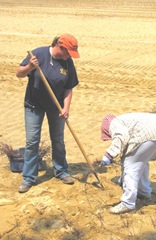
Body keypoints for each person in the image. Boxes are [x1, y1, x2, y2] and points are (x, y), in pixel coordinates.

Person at [16, 34, 80, 193]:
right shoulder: (38, 54)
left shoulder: (67, 62)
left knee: (58, 139)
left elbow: (68, 88)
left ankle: (61, 171)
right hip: (34, 105)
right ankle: (29, 177)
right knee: (32, 141)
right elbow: (19, 73)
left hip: (56, 106)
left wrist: (66, 108)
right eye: (68, 52)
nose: (69, 56)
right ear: (60, 46)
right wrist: (30, 67)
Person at [101, 112, 156, 214]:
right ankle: (144, 192)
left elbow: (121, 136)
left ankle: (127, 204)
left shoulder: (113, 123)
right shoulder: (125, 119)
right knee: (140, 161)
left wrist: (108, 155)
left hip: (153, 133)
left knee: (130, 163)